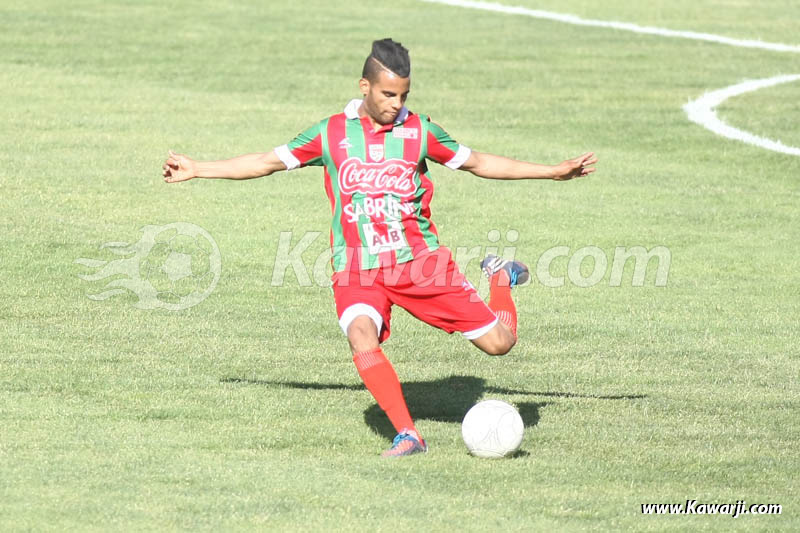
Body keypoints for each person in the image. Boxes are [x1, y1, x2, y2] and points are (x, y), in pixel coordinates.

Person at [162, 38, 596, 457]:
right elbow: (266, 162)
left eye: (403, 95)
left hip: (420, 265)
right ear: (365, 87)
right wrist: (198, 168)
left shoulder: (420, 131)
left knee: (501, 344)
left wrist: (550, 172)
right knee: (360, 337)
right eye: (388, 93)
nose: (395, 103)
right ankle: (408, 434)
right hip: (357, 270)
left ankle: (500, 277)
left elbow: (480, 162)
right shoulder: (330, 133)